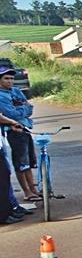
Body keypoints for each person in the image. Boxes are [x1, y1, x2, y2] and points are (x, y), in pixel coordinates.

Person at [0, 67, 41, 203]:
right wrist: (22, 110)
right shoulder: (0, 95)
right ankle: (27, 192)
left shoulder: (16, 91)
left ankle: (33, 189)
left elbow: (30, 108)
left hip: (26, 129)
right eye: (6, 78)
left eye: (12, 78)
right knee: (21, 163)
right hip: (14, 131)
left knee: (29, 161)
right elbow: (10, 114)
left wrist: (21, 110)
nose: (10, 81)